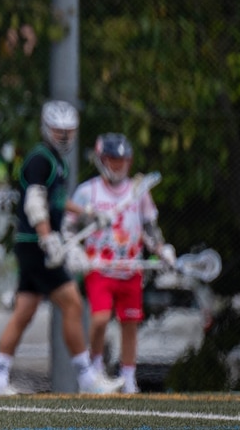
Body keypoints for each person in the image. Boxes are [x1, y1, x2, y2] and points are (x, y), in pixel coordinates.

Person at [0, 101, 119, 396]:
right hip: (36, 244)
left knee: (24, 312)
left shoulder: (56, 161)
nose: (64, 135)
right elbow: (35, 204)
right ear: (47, 129)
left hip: (32, 245)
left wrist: (88, 213)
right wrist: (48, 239)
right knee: (72, 303)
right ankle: (87, 378)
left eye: (68, 130)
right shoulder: (40, 159)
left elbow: (56, 199)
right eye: (59, 130)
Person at [69, 133, 171, 395]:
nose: (119, 166)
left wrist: (162, 249)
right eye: (114, 160)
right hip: (100, 268)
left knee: (130, 323)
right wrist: (76, 253)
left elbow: (149, 227)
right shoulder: (88, 192)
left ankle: (128, 377)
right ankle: (95, 368)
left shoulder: (139, 192)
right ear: (102, 160)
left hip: (131, 268)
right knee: (100, 319)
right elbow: (69, 227)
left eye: (123, 161)